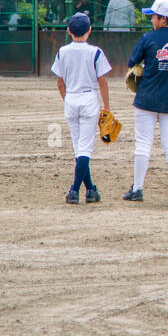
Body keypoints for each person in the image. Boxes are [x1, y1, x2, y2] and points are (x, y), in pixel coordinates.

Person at [123, 0, 168, 202]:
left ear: (163, 19)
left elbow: (132, 62)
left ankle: (137, 189)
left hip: (146, 98)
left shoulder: (149, 38)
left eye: (154, 17)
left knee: (143, 143)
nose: (152, 20)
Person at [51, 13, 111, 204]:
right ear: (89, 31)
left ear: (68, 31)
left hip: (71, 98)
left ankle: (91, 189)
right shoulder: (96, 52)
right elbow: (102, 82)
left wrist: (67, 99)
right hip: (88, 98)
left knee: (79, 148)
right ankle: (75, 190)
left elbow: (60, 82)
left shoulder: (62, 51)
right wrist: (107, 107)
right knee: (84, 148)